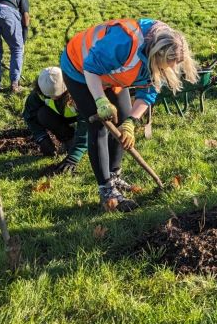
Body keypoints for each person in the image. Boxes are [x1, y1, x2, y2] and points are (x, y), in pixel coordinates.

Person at [60, 18, 198, 211]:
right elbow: (91, 68)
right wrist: (100, 101)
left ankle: (114, 176)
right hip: (80, 70)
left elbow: (149, 92)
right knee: (100, 126)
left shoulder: (164, 47)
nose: (167, 69)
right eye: (165, 64)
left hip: (113, 75)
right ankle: (106, 190)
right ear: (155, 54)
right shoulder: (125, 41)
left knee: (122, 121)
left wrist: (131, 122)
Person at [22, 67, 88, 174]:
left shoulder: (78, 91)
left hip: (78, 114)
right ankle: (68, 137)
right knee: (42, 114)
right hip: (58, 114)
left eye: (56, 96)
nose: (52, 98)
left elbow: (87, 123)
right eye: (49, 96)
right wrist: (41, 138)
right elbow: (30, 115)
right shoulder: (39, 93)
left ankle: (74, 142)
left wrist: (74, 156)